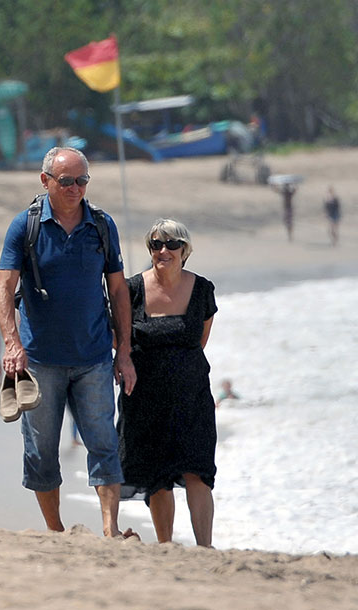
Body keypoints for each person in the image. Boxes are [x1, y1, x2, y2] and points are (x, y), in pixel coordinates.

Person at [0, 146, 137, 538]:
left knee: (104, 443)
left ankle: (110, 529)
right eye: (67, 181)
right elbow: (4, 287)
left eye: (82, 180)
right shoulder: (25, 226)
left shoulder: (102, 225)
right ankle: (56, 530)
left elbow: (118, 290)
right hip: (40, 360)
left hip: (94, 357)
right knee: (40, 451)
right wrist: (12, 343)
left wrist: (124, 351)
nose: (76, 188)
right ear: (46, 181)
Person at [117, 219, 218, 547]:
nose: (164, 250)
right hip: (144, 398)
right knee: (157, 477)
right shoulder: (132, 289)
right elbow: (119, 340)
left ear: (184, 250)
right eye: (156, 244)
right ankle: (166, 546)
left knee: (197, 471)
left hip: (192, 397)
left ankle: (205, 547)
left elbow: (199, 340)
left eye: (172, 244)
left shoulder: (202, 289)